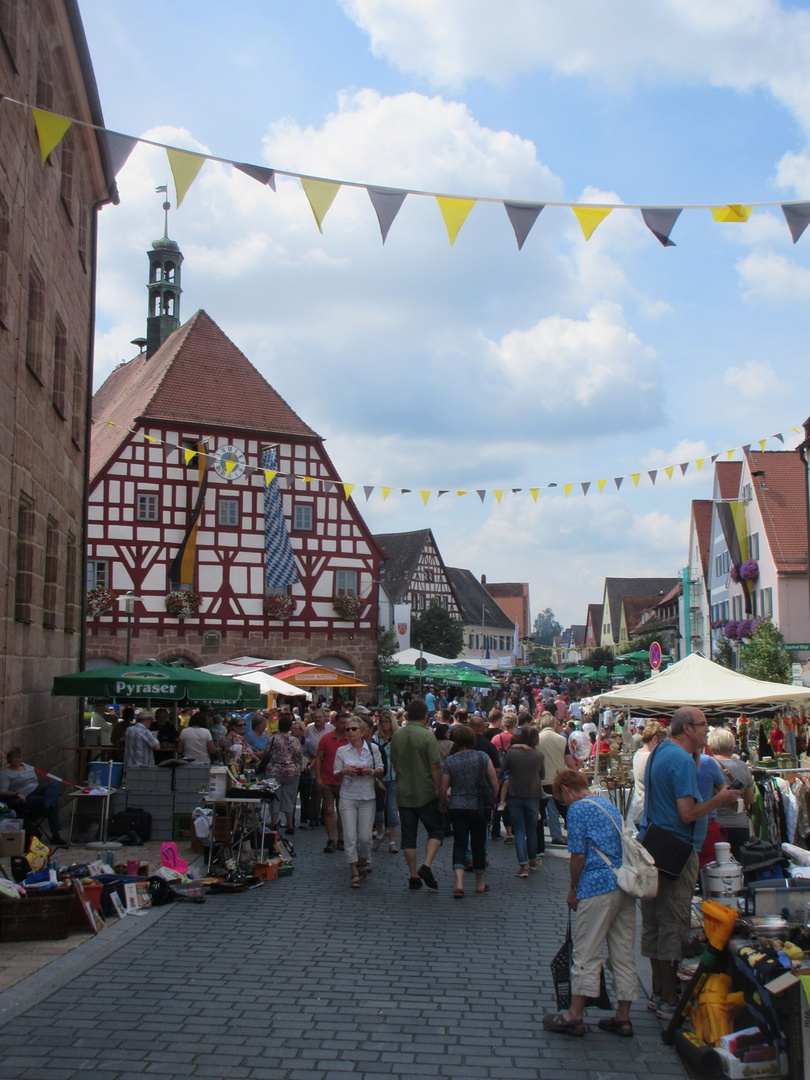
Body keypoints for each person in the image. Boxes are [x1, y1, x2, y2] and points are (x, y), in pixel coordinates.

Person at [639, 707, 739, 1020]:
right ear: (687, 728)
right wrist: (719, 801)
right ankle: (670, 998)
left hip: (653, 844)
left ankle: (657, 991)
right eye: (703, 726)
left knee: (654, 923)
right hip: (677, 850)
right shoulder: (680, 759)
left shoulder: (660, 751)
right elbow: (687, 813)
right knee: (673, 924)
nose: (707, 731)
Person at [543, 769, 638, 1039]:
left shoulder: (578, 810)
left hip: (596, 886)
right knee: (622, 951)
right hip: (622, 884)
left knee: (586, 950)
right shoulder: (606, 804)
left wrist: (573, 888)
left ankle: (575, 1015)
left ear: (565, 790)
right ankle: (623, 1016)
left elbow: (578, 856)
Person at [389, 698, 444, 891]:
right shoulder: (427, 736)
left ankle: (413, 876)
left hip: (404, 792)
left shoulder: (397, 736)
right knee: (436, 831)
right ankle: (426, 865)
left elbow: (394, 763)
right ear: (426, 716)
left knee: (409, 836)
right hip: (426, 792)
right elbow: (435, 767)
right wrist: (441, 791)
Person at [438, 723, 497, 897]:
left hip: (457, 806)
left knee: (460, 843)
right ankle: (479, 882)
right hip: (479, 807)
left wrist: (443, 802)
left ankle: (459, 883)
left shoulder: (451, 760)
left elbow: (443, 787)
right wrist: (493, 798)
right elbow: (494, 780)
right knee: (478, 844)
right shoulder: (482, 757)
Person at [334, 717, 384, 887]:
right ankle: (354, 871)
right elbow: (335, 774)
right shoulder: (342, 751)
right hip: (348, 796)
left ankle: (363, 860)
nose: (350, 732)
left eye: (353, 729)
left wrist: (369, 771)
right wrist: (345, 771)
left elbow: (381, 772)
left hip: (367, 796)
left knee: (364, 837)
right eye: (347, 729)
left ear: (362, 732)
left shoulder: (373, 749)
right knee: (350, 836)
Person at [501, 727, 545, 877]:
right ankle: (532, 858)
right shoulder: (538, 755)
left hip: (514, 794)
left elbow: (503, 769)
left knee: (519, 830)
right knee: (531, 829)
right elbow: (543, 775)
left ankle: (522, 865)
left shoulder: (512, 754)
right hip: (532, 795)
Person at [0, 747, 66, 846]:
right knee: (53, 801)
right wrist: (16, 794)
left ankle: (48, 804)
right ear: (9, 759)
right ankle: (55, 834)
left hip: (37, 790)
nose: (18, 759)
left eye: (19, 757)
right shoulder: (6, 773)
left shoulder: (27, 767)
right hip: (25, 797)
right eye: (15, 757)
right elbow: (3, 791)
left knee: (55, 785)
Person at [708, 726, 756, 858]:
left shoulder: (708, 765)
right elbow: (751, 799)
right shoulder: (742, 766)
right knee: (739, 866)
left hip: (716, 825)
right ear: (731, 746)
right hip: (739, 824)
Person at [536, 713, 574, 845]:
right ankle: (573, 835)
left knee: (549, 809)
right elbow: (569, 763)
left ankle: (555, 835)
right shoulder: (561, 740)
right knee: (565, 809)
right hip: (559, 778)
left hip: (542, 779)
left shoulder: (537, 739)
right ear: (554, 724)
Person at [261, 714, 302, 834]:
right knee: (290, 797)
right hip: (292, 772)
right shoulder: (295, 740)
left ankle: (274, 823)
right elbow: (299, 755)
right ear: (290, 727)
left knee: (275, 797)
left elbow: (265, 752)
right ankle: (290, 824)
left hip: (274, 771)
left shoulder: (273, 739)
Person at [315, 711, 349, 852]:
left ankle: (341, 838)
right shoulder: (327, 738)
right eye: (342, 723)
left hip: (344, 782)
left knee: (342, 812)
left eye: (346, 723)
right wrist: (318, 777)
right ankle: (330, 839)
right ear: (335, 723)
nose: (345, 726)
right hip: (328, 779)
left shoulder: (350, 739)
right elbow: (318, 758)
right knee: (329, 810)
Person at [628, 721, 666, 827]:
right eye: (662, 742)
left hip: (638, 807)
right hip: (649, 811)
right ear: (655, 740)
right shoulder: (651, 757)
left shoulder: (638, 754)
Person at [372, 709, 400, 853]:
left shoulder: (398, 737)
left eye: (387, 721)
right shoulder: (376, 738)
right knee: (378, 810)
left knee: (392, 809)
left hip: (394, 777)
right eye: (382, 721)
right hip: (380, 777)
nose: (384, 724)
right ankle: (380, 834)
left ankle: (393, 841)